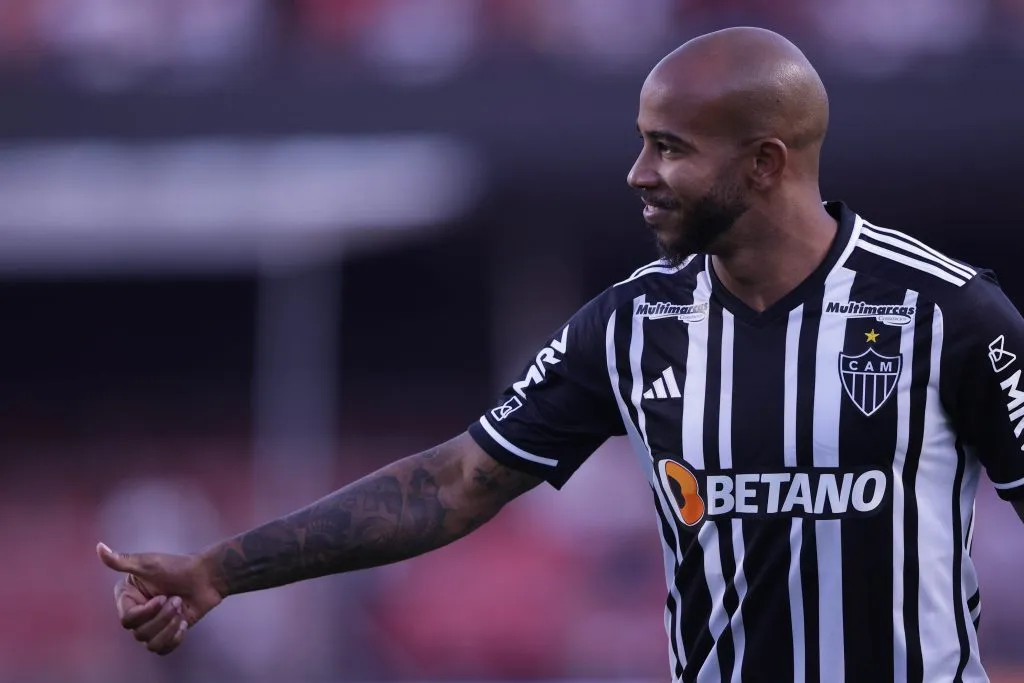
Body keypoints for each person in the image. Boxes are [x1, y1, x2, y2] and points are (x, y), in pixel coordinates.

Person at [98, 26, 1024, 683]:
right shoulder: (632, 325)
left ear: (765, 163)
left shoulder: (948, 312)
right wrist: (221, 570)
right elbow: (456, 481)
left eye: (669, 149)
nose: (639, 174)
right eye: (642, 144)